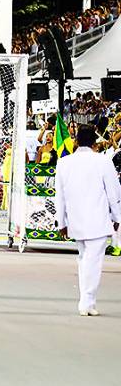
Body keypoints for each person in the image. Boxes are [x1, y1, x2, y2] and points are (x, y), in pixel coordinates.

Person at [55, 124, 121, 316]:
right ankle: (86, 301)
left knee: (84, 259)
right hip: (98, 220)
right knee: (92, 261)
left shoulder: (64, 163)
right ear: (94, 143)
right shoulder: (103, 161)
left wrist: (61, 222)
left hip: (75, 220)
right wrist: (117, 217)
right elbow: (114, 193)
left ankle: (87, 300)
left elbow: (59, 196)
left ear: (76, 142)